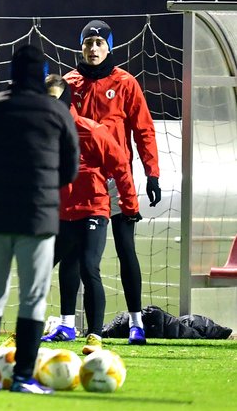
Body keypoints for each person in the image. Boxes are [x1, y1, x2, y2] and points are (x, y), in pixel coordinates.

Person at [0, 46, 80, 394]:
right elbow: (71, 168)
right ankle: (24, 378)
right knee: (33, 299)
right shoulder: (57, 113)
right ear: (41, 71)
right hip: (37, 215)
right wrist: (42, 188)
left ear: (12, 71)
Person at [61, 19, 161, 346]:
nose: (93, 48)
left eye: (99, 43)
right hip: (81, 183)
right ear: (81, 46)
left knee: (125, 248)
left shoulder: (125, 83)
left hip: (117, 180)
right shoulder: (67, 84)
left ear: (109, 47)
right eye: (88, 42)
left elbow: (144, 130)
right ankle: (67, 323)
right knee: (75, 254)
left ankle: (136, 323)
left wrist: (152, 173)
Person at [42, 75, 140, 355]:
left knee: (88, 266)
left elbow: (121, 167)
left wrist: (130, 208)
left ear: (64, 101)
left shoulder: (92, 131)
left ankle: (95, 336)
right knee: (38, 268)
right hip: (61, 214)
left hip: (92, 211)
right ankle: (61, 327)